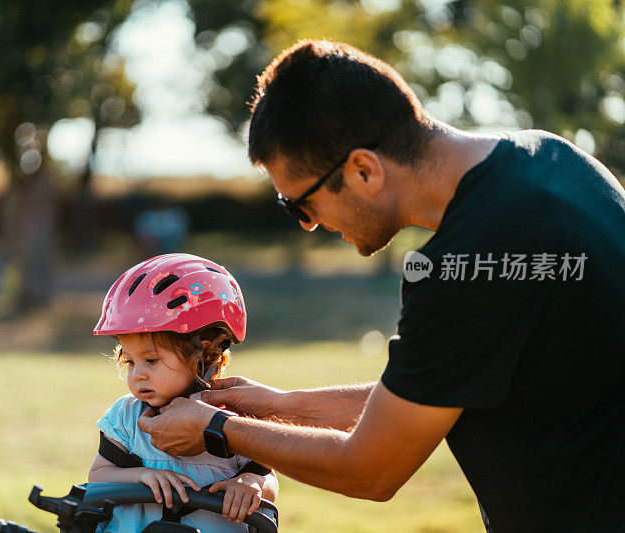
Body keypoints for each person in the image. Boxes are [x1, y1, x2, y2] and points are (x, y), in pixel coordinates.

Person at [137, 40, 625, 532]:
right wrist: (271, 404)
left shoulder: (464, 266)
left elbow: (371, 468)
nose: (307, 225)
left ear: (364, 170)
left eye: (298, 203)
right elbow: (431, 389)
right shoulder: (556, 163)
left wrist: (219, 430)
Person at [88, 253, 279, 533]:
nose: (138, 374)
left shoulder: (234, 418)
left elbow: (268, 479)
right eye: (130, 361)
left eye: (151, 360)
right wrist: (142, 475)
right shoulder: (126, 417)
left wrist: (250, 482)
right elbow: (98, 477)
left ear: (206, 354)